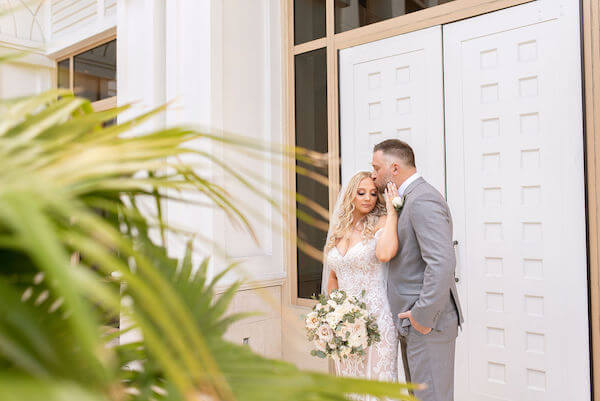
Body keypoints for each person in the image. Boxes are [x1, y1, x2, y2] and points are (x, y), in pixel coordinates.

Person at [371, 139, 464, 401]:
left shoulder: (423, 199)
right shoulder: (406, 199)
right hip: (412, 324)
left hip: (427, 324)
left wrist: (422, 316)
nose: (373, 174)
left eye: (377, 168)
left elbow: (442, 262)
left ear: (395, 168)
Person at [322, 171, 405, 389]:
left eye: (373, 193)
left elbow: (385, 254)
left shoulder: (382, 222)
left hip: (376, 317)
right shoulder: (340, 229)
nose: (368, 198)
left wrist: (392, 212)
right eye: (361, 193)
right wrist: (334, 314)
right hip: (346, 322)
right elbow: (333, 276)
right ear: (351, 195)